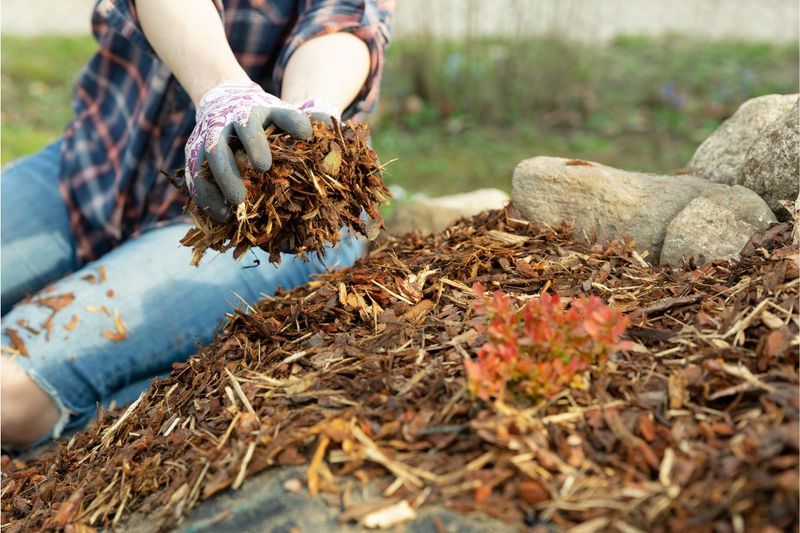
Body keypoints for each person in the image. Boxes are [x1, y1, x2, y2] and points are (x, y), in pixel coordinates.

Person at [0, 0, 394, 449]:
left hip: (250, 223)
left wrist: (309, 110)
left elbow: (342, 20)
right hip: (96, 164)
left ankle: (148, 401)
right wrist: (224, 93)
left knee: (11, 396)